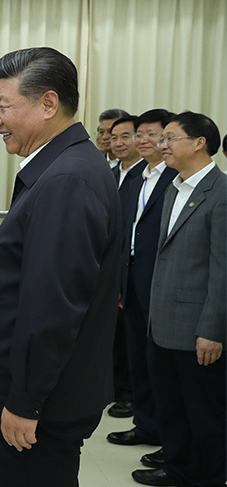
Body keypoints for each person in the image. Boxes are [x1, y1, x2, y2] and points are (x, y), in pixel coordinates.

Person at [0, 47, 121, 487]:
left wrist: (26, 402)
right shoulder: (65, 167)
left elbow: (53, 308)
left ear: (47, 104)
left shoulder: (67, 180)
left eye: (3, 106)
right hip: (28, 388)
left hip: (32, 400)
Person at [137, 112, 226, 487]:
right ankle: (177, 467)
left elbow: (222, 270)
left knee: (204, 412)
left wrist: (213, 330)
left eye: (170, 138)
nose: (163, 145)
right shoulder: (174, 188)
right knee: (170, 403)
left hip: (198, 328)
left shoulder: (221, 193)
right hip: (162, 321)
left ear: (199, 142)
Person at [107, 109, 176, 452]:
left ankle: (169, 438)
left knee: (162, 363)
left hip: (161, 282)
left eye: (153, 134)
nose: (144, 140)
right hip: (133, 278)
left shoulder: (175, 178)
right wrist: (121, 282)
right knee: (138, 357)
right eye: (141, 134)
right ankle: (146, 425)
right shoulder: (137, 181)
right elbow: (125, 235)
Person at [106, 114, 146, 419]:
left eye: (125, 136)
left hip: (133, 269)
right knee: (110, 335)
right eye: (113, 137)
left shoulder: (147, 176)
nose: (118, 143)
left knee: (131, 337)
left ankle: (131, 395)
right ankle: (112, 387)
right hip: (107, 267)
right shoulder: (108, 174)